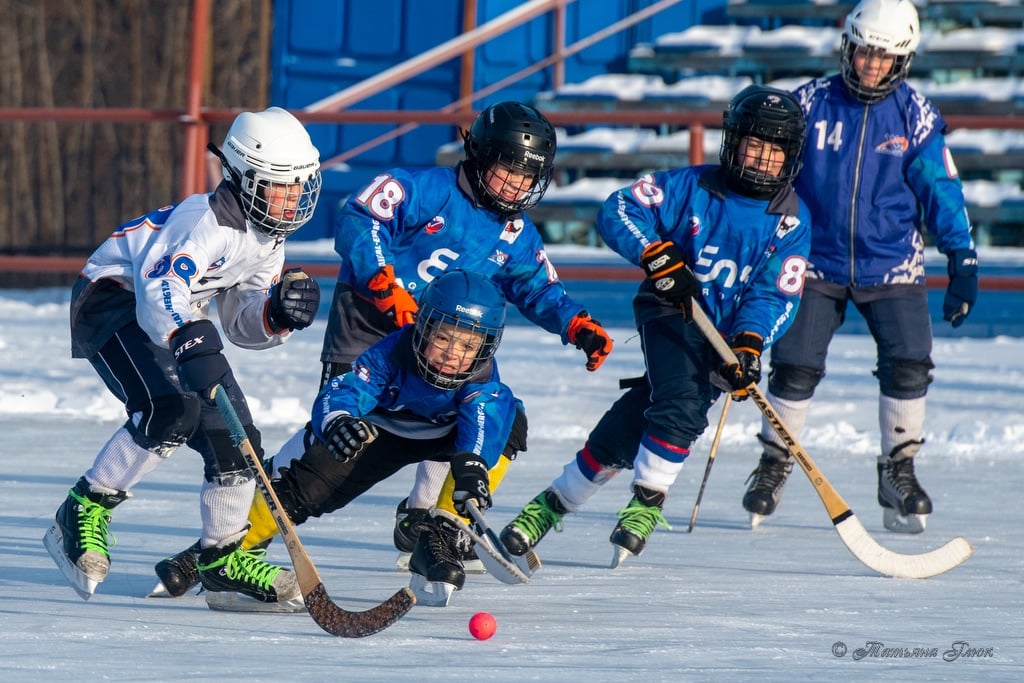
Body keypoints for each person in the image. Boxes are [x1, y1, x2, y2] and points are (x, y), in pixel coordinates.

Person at [152, 101, 613, 595]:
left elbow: (538, 288)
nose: (518, 186)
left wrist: (576, 325)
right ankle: (224, 549)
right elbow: (358, 220)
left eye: (530, 177)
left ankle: (439, 531)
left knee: (499, 423)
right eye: (509, 171)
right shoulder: (419, 189)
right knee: (329, 463)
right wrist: (381, 280)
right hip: (369, 344)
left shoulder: (517, 233)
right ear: (478, 156)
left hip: (442, 357)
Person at [499, 84, 812, 566]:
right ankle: (647, 502)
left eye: (774, 149)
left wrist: (748, 345)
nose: (760, 157)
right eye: (752, 142)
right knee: (682, 402)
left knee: (640, 415)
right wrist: (655, 254)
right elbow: (618, 209)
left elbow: (774, 294)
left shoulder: (791, 221)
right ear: (732, 142)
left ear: (790, 156)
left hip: (722, 337)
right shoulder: (691, 186)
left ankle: (552, 504)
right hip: (670, 311)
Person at [44, 106, 323, 609]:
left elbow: (241, 324)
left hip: (177, 317)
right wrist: (186, 337)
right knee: (171, 409)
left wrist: (276, 314)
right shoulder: (204, 221)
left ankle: (221, 559)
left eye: (298, 186)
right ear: (241, 177)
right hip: (113, 301)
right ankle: (82, 510)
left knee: (236, 438)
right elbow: (159, 289)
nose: (291, 199)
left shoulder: (268, 239)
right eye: (278, 186)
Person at [740, 0, 978, 534]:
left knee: (910, 361)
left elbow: (941, 188)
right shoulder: (808, 103)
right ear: (848, 46)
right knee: (795, 365)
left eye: (884, 58)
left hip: (891, 262)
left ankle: (898, 470)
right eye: (864, 52)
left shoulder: (915, 115)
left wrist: (961, 256)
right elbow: (770, 174)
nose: (871, 65)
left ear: (902, 62)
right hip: (814, 259)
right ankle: (773, 464)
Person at [228, 269, 518, 606]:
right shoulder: (391, 353)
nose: (453, 353)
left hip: (441, 436)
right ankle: (226, 552)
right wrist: (339, 423)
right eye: (443, 338)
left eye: (468, 345)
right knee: (309, 492)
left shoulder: (483, 379)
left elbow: (485, 419)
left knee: (512, 420)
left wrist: (473, 468)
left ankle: (442, 534)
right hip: (383, 435)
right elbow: (347, 389)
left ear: (486, 346)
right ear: (424, 327)